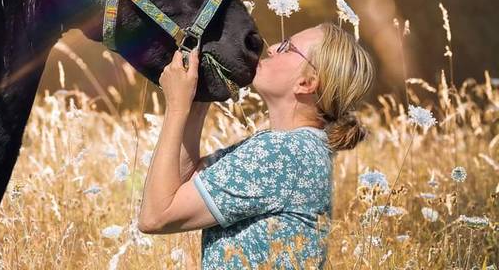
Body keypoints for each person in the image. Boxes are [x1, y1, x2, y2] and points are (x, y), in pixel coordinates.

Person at [137, 22, 375, 269]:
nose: (271, 49)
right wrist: (198, 101)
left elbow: (155, 217)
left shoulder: (282, 153)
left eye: (287, 47)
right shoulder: (297, 148)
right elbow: (178, 187)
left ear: (306, 83)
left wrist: (177, 106)